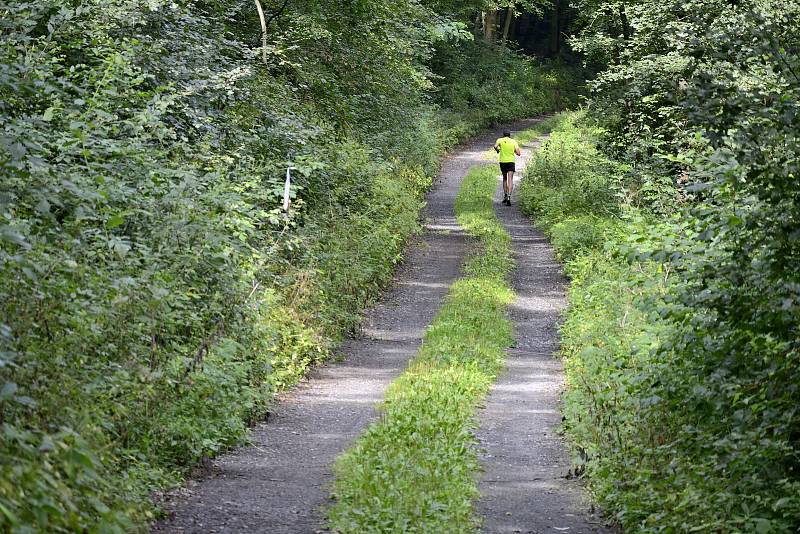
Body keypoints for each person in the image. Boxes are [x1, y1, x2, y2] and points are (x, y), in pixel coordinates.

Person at [494, 130, 521, 206]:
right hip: (511, 162)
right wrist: (514, 152)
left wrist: (498, 150)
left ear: (503, 135)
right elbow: (518, 153)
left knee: (505, 178)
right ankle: (509, 196)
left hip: (503, 162)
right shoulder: (513, 141)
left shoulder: (500, 140)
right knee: (510, 179)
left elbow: (495, 146)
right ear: (510, 135)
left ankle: (505, 195)